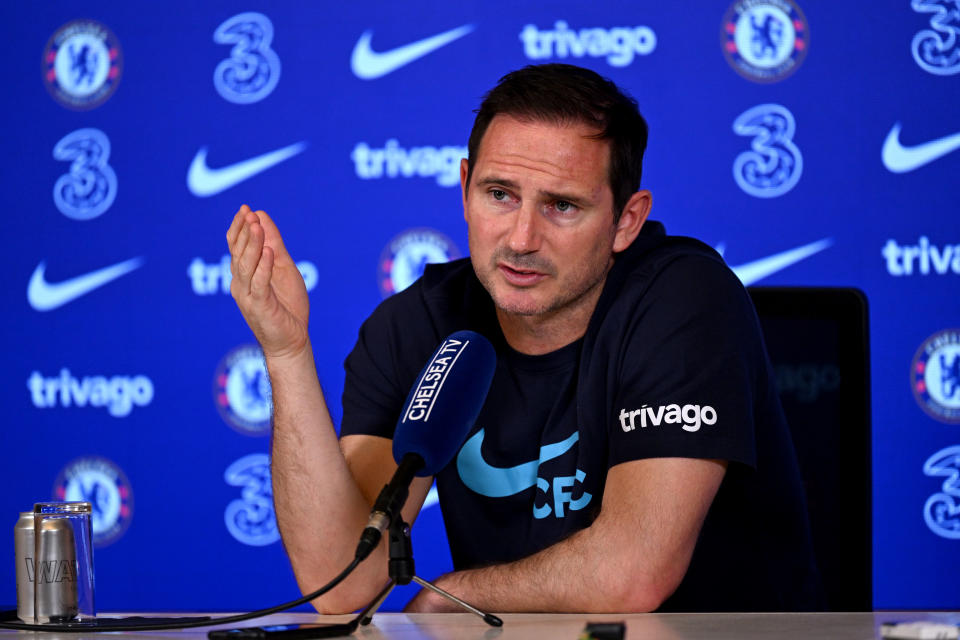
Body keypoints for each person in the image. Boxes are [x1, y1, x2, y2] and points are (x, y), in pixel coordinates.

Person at [227, 63, 823, 613]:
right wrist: (287, 353)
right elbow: (346, 581)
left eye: (562, 205)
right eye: (499, 194)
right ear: (464, 187)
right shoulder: (419, 325)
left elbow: (631, 574)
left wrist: (455, 594)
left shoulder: (683, 298)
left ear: (627, 221)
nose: (521, 237)